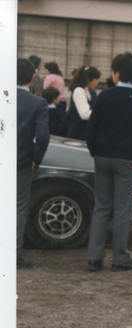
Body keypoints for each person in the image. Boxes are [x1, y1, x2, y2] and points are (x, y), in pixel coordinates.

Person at [86, 52, 132, 272]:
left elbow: (91, 129)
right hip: (127, 159)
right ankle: (120, 258)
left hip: (102, 156)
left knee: (101, 207)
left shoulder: (104, 96)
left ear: (116, 74)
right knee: (123, 210)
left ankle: (94, 258)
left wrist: (94, 151)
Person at [17, 58, 50, 268]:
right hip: (21, 162)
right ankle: (13, 254)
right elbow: (43, 136)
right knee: (18, 207)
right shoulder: (37, 103)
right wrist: (35, 158)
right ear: (31, 79)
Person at [67, 66, 101, 140]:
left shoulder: (90, 92)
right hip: (78, 134)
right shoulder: (79, 91)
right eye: (96, 79)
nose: (97, 82)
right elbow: (84, 114)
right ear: (88, 79)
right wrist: (102, 113)